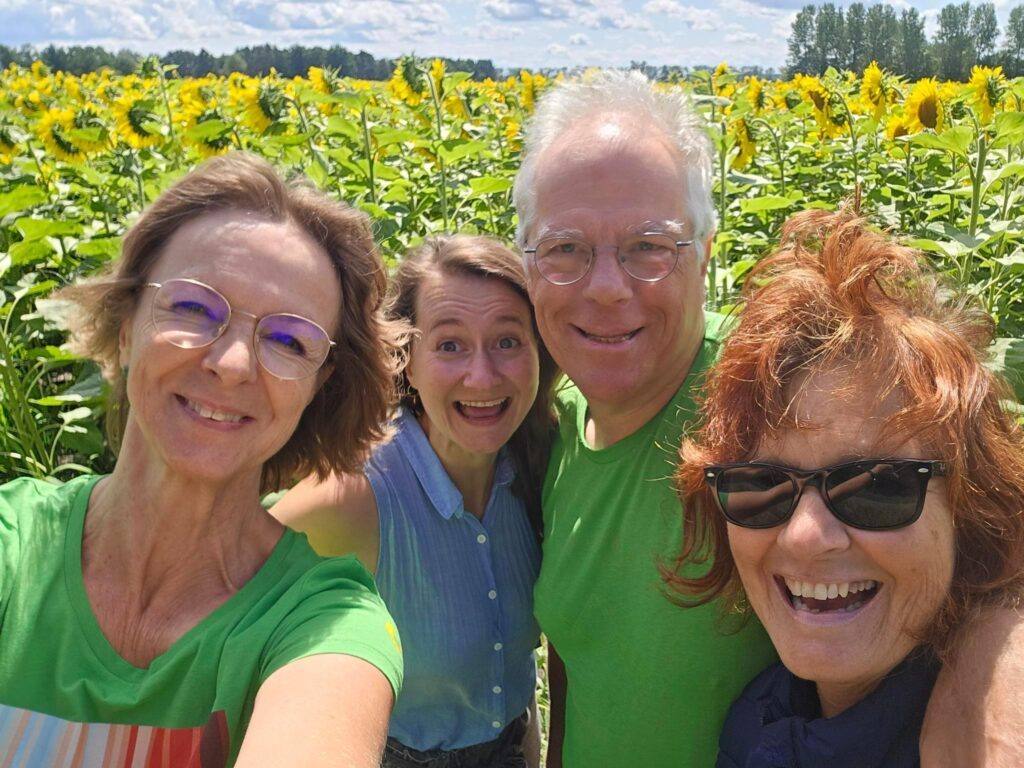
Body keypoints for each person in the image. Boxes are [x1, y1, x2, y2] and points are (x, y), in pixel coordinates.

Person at [0, 152, 405, 768]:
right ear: (126, 320)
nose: (233, 363)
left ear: (318, 388)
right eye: (193, 308)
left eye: (289, 340)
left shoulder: (321, 623)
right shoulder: (13, 546)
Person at [670, 208, 1024, 767]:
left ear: (972, 512)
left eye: (878, 486)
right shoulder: (756, 719)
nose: (808, 537)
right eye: (761, 485)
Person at [512, 70, 777, 767]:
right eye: (565, 249)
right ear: (528, 267)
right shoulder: (555, 426)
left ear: (707, 255)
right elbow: (577, 659)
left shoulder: (775, 396)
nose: (605, 288)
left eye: (650, 247)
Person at [273, 234, 558, 768]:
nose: (483, 376)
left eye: (508, 341)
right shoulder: (355, 497)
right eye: (450, 345)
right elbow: (218, 609)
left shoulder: (539, 464)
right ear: (406, 360)